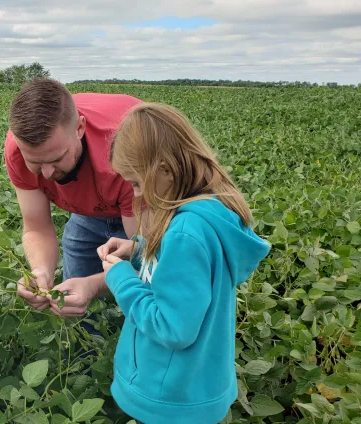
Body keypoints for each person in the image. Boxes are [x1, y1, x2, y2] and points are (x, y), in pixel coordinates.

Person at [99, 102, 270, 424]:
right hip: (195, 386)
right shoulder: (212, 213)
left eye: (136, 182)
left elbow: (173, 328)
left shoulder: (186, 232)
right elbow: (186, 271)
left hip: (171, 398)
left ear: (164, 169)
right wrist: (138, 249)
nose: (136, 193)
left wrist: (121, 278)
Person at [4, 78, 141, 317]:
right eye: (35, 162)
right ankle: (87, 352)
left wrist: (92, 286)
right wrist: (41, 271)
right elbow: (36, 227)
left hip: (144, 207)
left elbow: (147, 253)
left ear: (80, 128)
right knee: (73, 305)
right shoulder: (18, 150)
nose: (46, 173)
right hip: (88, 212)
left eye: (56, 159)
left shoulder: (125, 151)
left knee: (146, 297)